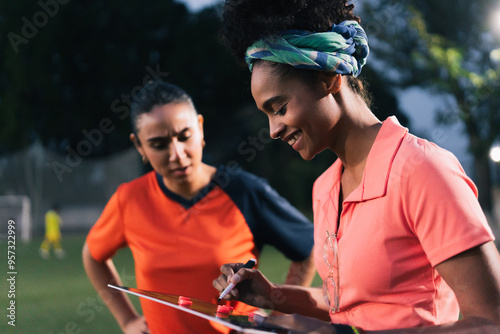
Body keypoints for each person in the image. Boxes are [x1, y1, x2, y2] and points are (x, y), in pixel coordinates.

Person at [212, 0, 500, 333]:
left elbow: (490, 323)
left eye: (279, 108)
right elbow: (352, 309)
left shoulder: (423, 170)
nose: (273, 130)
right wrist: (274, 295)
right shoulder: (325, 188)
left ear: (328, 79)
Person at [82, 81, 316, 334]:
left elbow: (308, 249)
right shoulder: (130, 199)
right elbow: (93, 256)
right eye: (159, 144)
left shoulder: (244, 191)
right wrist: (127, 320)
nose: (177, 154)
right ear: (139, 146)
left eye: (185, 136)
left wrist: (276, 319)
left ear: (200, 128)